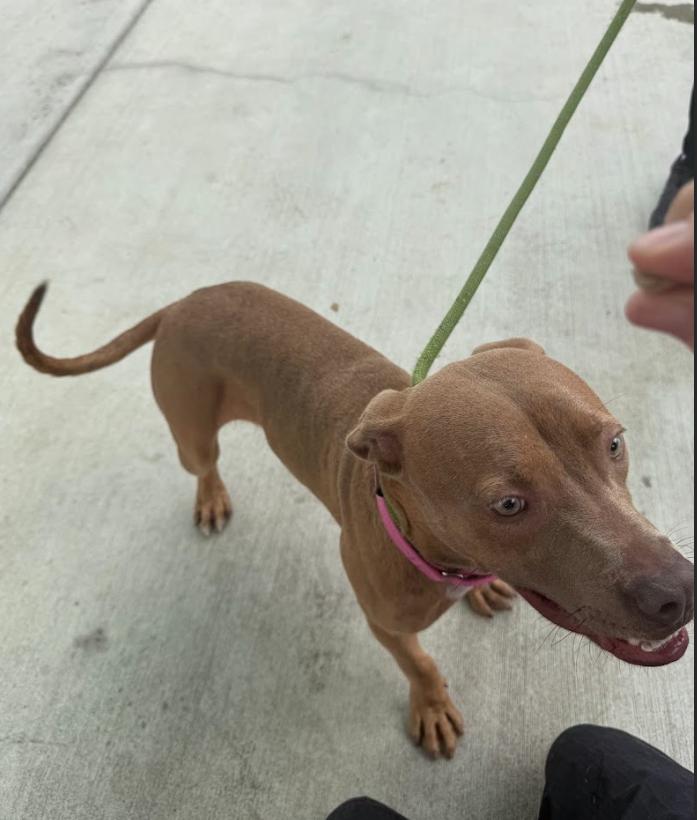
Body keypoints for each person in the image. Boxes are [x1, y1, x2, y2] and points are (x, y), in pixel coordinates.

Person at [326, 185, 696, 820]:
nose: (671, 584)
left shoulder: (459, 461)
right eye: (510, 506)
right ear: (384, 457)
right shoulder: (393, 446)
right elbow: (389, 620)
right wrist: (425, 682)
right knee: (202, 462)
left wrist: (488, 555)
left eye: (610, 446)